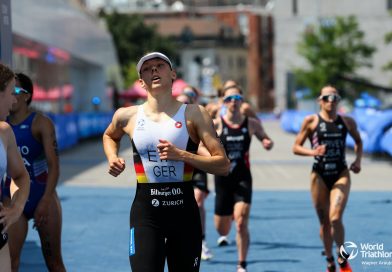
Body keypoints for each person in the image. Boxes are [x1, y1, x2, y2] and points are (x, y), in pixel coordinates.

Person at [103, 52, 230, 272]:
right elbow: (109, 135)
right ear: (141, 82)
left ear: (172, 74)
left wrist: (182, 155)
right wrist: (112, 157)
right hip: (146, 214)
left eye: (160, 65)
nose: (154, 70)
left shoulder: (194, 114)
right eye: (147, 68)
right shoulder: (127, 116)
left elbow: (223, 165)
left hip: (184, 214)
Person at [292, 85, 362, 272]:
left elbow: (358, 141)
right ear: (319, 100)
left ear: (338, 100)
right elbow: (296, 147)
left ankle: (341, 256)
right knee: (324, 223)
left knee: (335, 218)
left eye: (334, 97)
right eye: (326, 97)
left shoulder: (347, 121)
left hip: (341, 173)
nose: (330, 101)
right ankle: (329, 260)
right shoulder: (311, 121)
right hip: (319, 175)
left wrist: (358, 161)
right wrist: (313, 152)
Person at [1, 73, 66, 272]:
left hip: (41, 195)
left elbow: (53, 166)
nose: (13, 96)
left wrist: (46, 201)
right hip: (13, 199)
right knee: (10, 262)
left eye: (17, 91)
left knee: (54, 263)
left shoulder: (40, 123)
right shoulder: (3, 127)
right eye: (10, 91)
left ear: (27, 96)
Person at [213, 84, 273, 272]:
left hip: (242, 178)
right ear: (223, 102)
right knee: (222, 230)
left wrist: (266, 142)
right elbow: (199, 142)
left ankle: (241, 264)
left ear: (242, 102)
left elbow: (266, 138)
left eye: (237, 99)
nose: (233, 102)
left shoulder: (251, 123)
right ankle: (229, 214)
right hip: (222, 180)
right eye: (229, 99)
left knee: (241, 222)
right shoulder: (216, 124)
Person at [176, 86, 213, 261]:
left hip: (197, 167)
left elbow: (209, 144)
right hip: (177, 169)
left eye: (189, 98)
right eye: (181, 100)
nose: (185, 102)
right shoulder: (169, 119)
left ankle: (202, 241)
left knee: (198, 203)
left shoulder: (199, 117)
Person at [0, 64, 30, 272]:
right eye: (11, 93)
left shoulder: (4, 132)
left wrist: (16, 209)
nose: (14, 100)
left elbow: (21, 177)